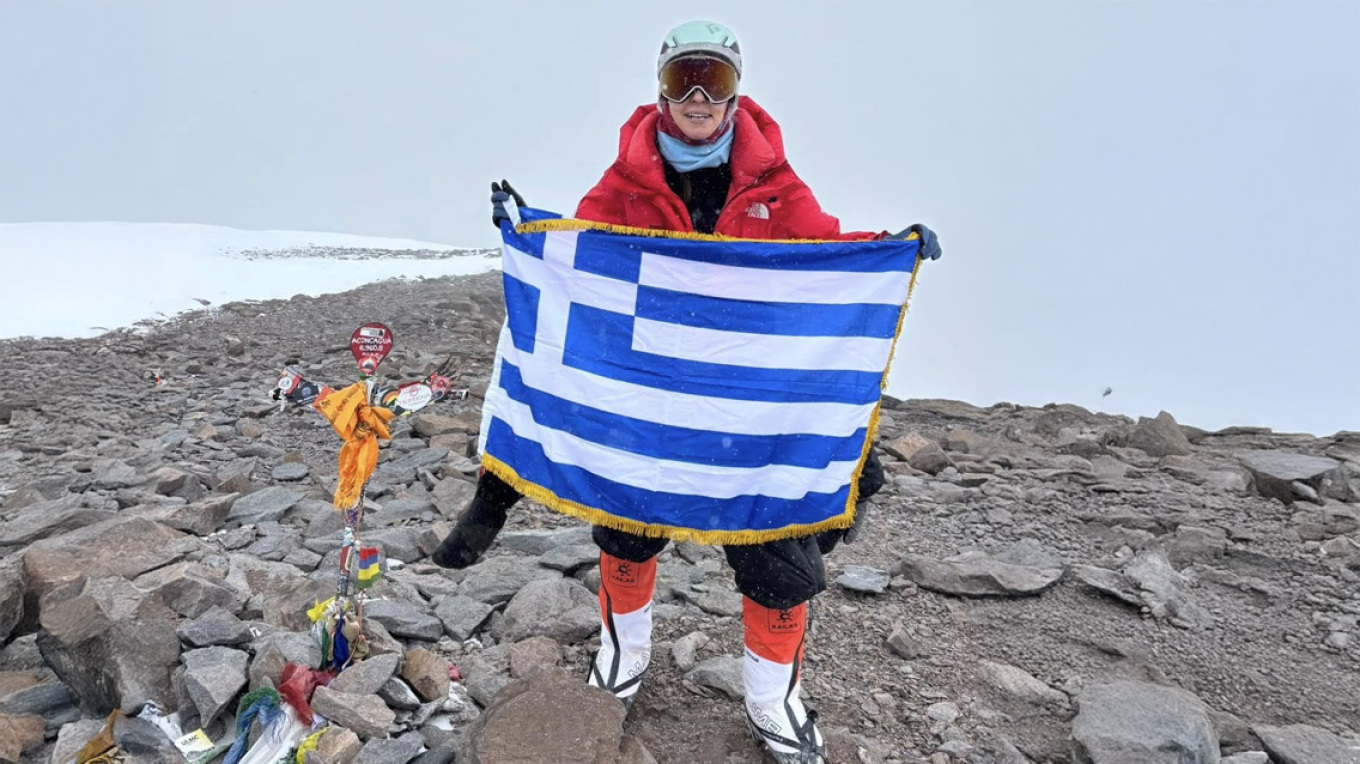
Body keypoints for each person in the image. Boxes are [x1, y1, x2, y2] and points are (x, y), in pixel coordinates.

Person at [433, 20, 941, 763]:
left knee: (774, 549)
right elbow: (581, 269)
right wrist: (528, 235)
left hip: (746, 405)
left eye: (715, 80)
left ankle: (772, 697)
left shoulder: (774, 181)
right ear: (661, 89)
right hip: (648, 398)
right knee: (627, 521)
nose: (698, 97)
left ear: (737, 91)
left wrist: (886, 251)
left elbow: (820, 252)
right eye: (682, 80)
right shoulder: (624, 182)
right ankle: (624, 657)